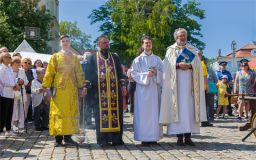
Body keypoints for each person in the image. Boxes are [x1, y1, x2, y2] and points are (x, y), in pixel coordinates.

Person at [159, 28, 207, 146]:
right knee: (178, 110)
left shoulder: (192, 49)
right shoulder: (170, 50)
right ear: (176, 37)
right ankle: (179, 137)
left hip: (190, 88)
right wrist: (177, 65)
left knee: (190, 110)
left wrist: (190, 66)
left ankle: (188, 137)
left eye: (184, 35)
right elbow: (166, 66)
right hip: (176, 88)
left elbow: (198, 66)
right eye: (180, 36)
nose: (183, 37)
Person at [42, 35, 85, 147]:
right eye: (63, 41)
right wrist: (46, 87)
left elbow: (79, 73)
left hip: (71, 90)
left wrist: (81, 87)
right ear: (60, 43)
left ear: (70, 43)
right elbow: (49, 72)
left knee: (70, 112)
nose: (65, 43)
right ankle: (58, 139)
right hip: (59, 90)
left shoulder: (75, 58)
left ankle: (68, 137)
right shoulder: (55, 57)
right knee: (58, 112)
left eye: (67, 41)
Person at [85, 35, 124, 147]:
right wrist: (87, 87)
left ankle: (116, 139)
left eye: (108, 43)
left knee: (116, 115)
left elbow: (120, 73)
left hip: (114, 93)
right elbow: (88, 74)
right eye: (104, 43)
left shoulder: (114, 57)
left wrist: (123, 85)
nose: (107, 45)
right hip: (99, 93)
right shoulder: (92, 58)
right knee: (100, 116)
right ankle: (102, 140)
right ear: (99, 44)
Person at [130, 35, 163, 145]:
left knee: (154, 113)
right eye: (146, 43)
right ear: (142, 45)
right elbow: (133, 74)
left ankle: (154, 137)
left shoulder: (157, 59)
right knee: (143, 114)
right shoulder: (137, 60)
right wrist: (146, 75)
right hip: (142, 91)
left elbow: (165, 74)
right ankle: (144, 138)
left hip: (154, 90)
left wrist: (157, 73)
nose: (148, 44)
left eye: (149, 43)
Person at [0, 52, 19, 136]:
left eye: (10, 57)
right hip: (4, 93)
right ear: (3, 58)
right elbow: (2, 81)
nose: (9, 58)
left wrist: (16, 84)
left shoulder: (9, 68)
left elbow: (13, 78)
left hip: (11, 93)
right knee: (3, 113)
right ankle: (1, 130)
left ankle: (8, 130)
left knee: (9, 112)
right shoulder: (1, 68)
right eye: (7, 57)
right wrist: (12, 85)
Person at [11, 57, 28, 133]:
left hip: (21, 92)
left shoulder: (22, 71)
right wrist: (17, 82)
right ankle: (12, 126)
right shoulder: (9, 70)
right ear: (12, 63)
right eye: (16, 62)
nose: (18, 64)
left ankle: (21, 126)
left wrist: (23, 81)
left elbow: (27, 81)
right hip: (12, 92)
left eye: (19, 62)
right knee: (13, 110)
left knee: (22, 109)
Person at [198, 51, 213, 127]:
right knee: (205, 105)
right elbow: (205, 77)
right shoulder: (202, 64)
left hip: (196, 88)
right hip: (202, 88)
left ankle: (203, 121)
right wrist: (206, 87)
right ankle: (204, 121)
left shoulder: (193, 64)